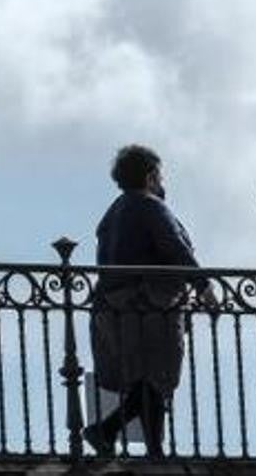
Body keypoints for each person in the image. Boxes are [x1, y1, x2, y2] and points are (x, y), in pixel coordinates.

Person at [83, 145, 215, 458]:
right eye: (160, 175)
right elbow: (175, 247)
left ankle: (154, 450)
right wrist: (203, 284)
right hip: (149, 305)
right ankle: (107, 430)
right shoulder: (150, 206)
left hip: (114, 306)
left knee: (146, 382)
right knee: (155, 379)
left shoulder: (112, 214)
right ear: (151, 176)